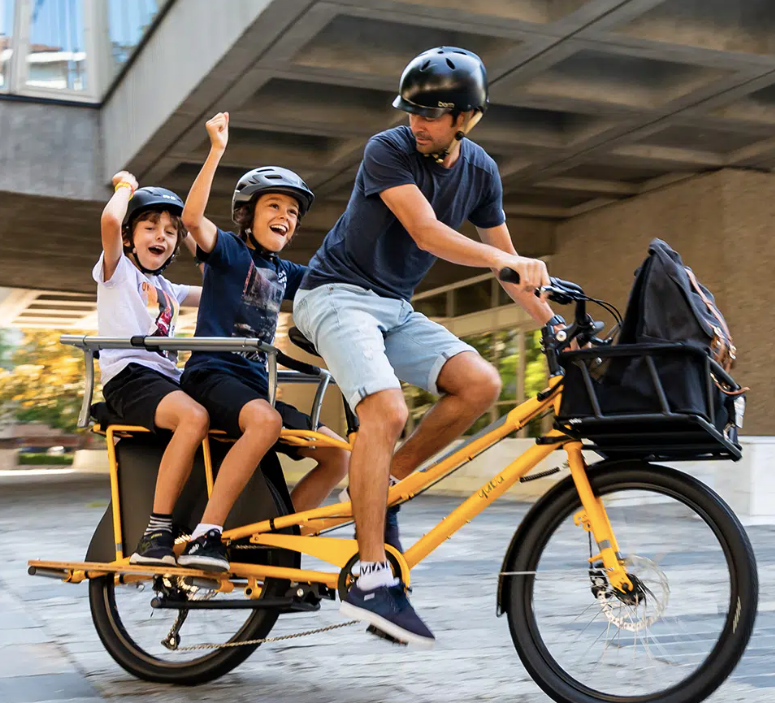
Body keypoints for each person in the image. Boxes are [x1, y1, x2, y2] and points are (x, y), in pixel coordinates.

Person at [293, 47, 565, 647]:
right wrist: (505, 259)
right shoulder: (386, 150)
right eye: (412, 110)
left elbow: (508, 265)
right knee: (385, 410)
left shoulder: (481, 171)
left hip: (393, 307)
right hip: (334, 295)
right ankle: (368, 575)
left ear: (465, 118)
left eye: (433, 114)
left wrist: (553, 324)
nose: (417, 123)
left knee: (480, 384)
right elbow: (427, 233)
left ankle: (383, 486)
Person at [179, 112, 350, 572]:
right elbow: (191, 218)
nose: (285, 217)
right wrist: (216, 150)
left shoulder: (285, 272)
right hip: (212, 376)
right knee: (266, 422)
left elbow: (333, 282)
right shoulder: (230, 253)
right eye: (275, 206)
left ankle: (280, 538)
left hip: (256, 386)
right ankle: (205, 534)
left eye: (293, 213)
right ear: (247, 213)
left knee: (336, 455)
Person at [95, 174, 208, 567]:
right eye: (150, 227)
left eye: (170, 231)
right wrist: (125, 187)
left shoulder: (170, 289)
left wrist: (189, 230)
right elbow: (110, 223)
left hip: (165, 380)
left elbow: (218, 283)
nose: (161, 235)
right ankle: (156, 529)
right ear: (129, 238)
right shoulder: (117, 273)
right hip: (128, 376)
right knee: (194, 417)